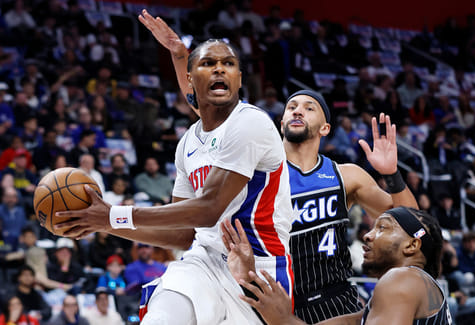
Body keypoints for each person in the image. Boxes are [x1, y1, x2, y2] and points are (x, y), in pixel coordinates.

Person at [155, 15, 418, 323]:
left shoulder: (346, 175)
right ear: (280, 123)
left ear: (325, 127)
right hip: (278, 296)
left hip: (337, 297)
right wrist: (180, 57)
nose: (297, 110)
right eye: (291, 107)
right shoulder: (259, 163)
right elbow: (203, 104)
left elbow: (411, 223)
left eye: (309, 108)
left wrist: (392, 175)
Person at [55, 9, 293, 325]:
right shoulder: (188, 143)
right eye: (209, 63)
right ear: (192, 79)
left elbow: (208, 208)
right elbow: (182, 234)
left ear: (238, 79)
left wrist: (113, 214)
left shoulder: (250, 122)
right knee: (162, 315)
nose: (220, 69)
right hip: (203, 261)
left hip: (259, 272)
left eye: (229, 64)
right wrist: (103, 223)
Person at [222, 207, 452, 325]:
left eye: (383, 227)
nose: (369, 236)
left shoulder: (402, 279)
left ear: (412, 245)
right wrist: (250, 276)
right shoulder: (383, 304)